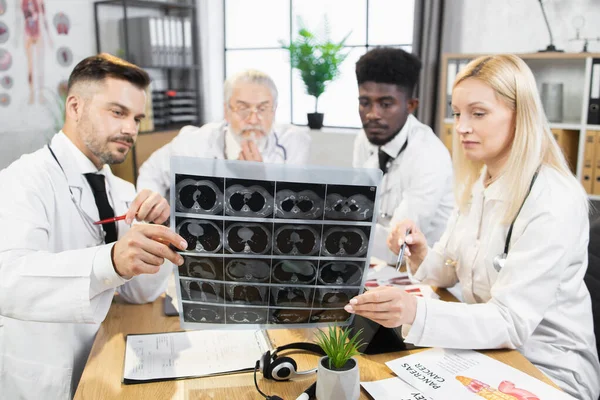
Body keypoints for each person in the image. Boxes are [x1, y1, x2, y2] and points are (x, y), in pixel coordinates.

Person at [345, 54, 600, 400]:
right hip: (488, 355)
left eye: (478, 113)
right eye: (457, 112)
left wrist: (415, 310)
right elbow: (449, 268)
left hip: (547, 370)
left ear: (520, 114)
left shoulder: (553, 199)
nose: (462, 126)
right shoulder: (482, 179)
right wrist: (420, 251)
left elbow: (511, 321)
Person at [0, 53, 188, 399]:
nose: (131, 128)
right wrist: (111, 260)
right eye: (117, 112)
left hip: (106, 362)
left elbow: (138, 294)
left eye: (137, 117)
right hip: (42, 376)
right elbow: (7, 280)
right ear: (75, 107)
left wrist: (154, 232)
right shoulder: (23, 180)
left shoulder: (122, 190)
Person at [136, 69, 311, 197]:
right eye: (242, 108)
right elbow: (151, 171)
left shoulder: (293, 142)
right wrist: (151, 213)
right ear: (226, 111)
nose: (252, 119)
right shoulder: (195, 141)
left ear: (274, 111)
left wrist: (260, 181)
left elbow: (293, 205)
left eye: (263, 108)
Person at [352, 47, 453, 264]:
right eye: (365, 102)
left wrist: (341, 226)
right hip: (378, 265)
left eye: (386, 104)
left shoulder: (429, 155)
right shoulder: (364, 139)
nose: (372, 114)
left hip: (426, 275)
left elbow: (398, 246)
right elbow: (359, 208)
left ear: (410, 105)